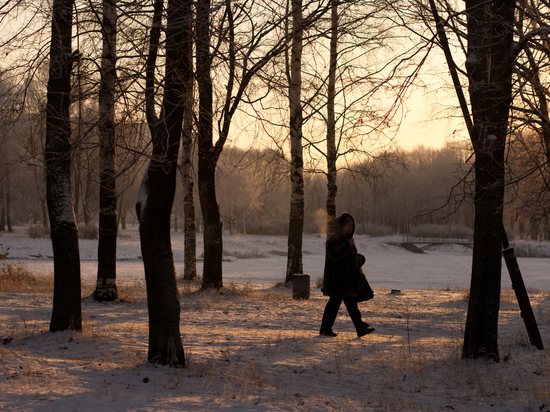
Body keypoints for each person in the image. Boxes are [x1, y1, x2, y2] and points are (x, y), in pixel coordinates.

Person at [319, 212, 375, 338]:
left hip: (347, 281)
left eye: (351, 225)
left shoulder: (347, 240)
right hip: (337, 281)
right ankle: (328, 329)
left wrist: (359, 259)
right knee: (336, 305)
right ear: (341, 226)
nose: (350, 228)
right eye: (347, 225)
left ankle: (358, 327)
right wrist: (347, 245)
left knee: (349, 305)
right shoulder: (334, 239)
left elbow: (349, 259)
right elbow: (334, 255)